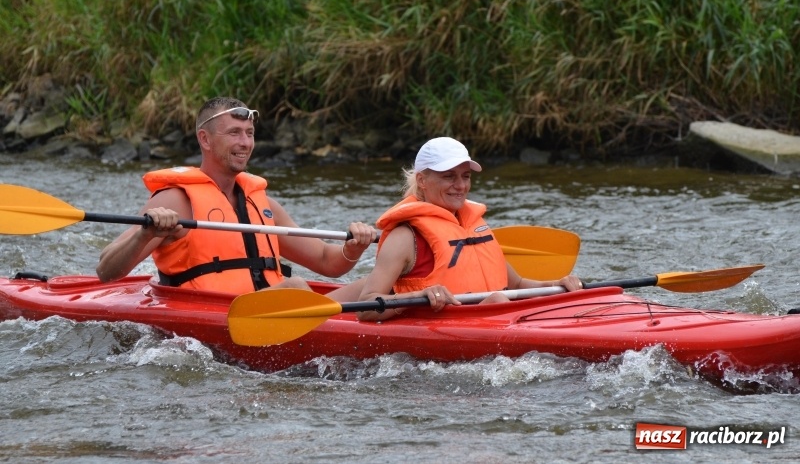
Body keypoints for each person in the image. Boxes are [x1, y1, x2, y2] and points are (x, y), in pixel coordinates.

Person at [96, 96, 376, 300]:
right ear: (205, 139)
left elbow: (328, 261)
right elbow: (107, 271)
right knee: (297, 288)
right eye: (234, 133)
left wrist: (353, 249)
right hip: (219, 314)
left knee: (382, 284)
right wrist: (146, 234)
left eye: (249, 133)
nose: (245, 143)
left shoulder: (263, 205)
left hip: (278, 310)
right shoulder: (176, 200)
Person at [356, 136, 583, 321]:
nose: (461, 186)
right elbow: (365, 307)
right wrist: (417, 295)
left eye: (465, 176)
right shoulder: (405, 237)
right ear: (422, 180)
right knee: (498, 301)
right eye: (449, 177)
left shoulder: (473, 227)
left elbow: (518, 285)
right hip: (446, 329)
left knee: (499, 300)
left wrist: (555, 284)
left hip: (495, 317)